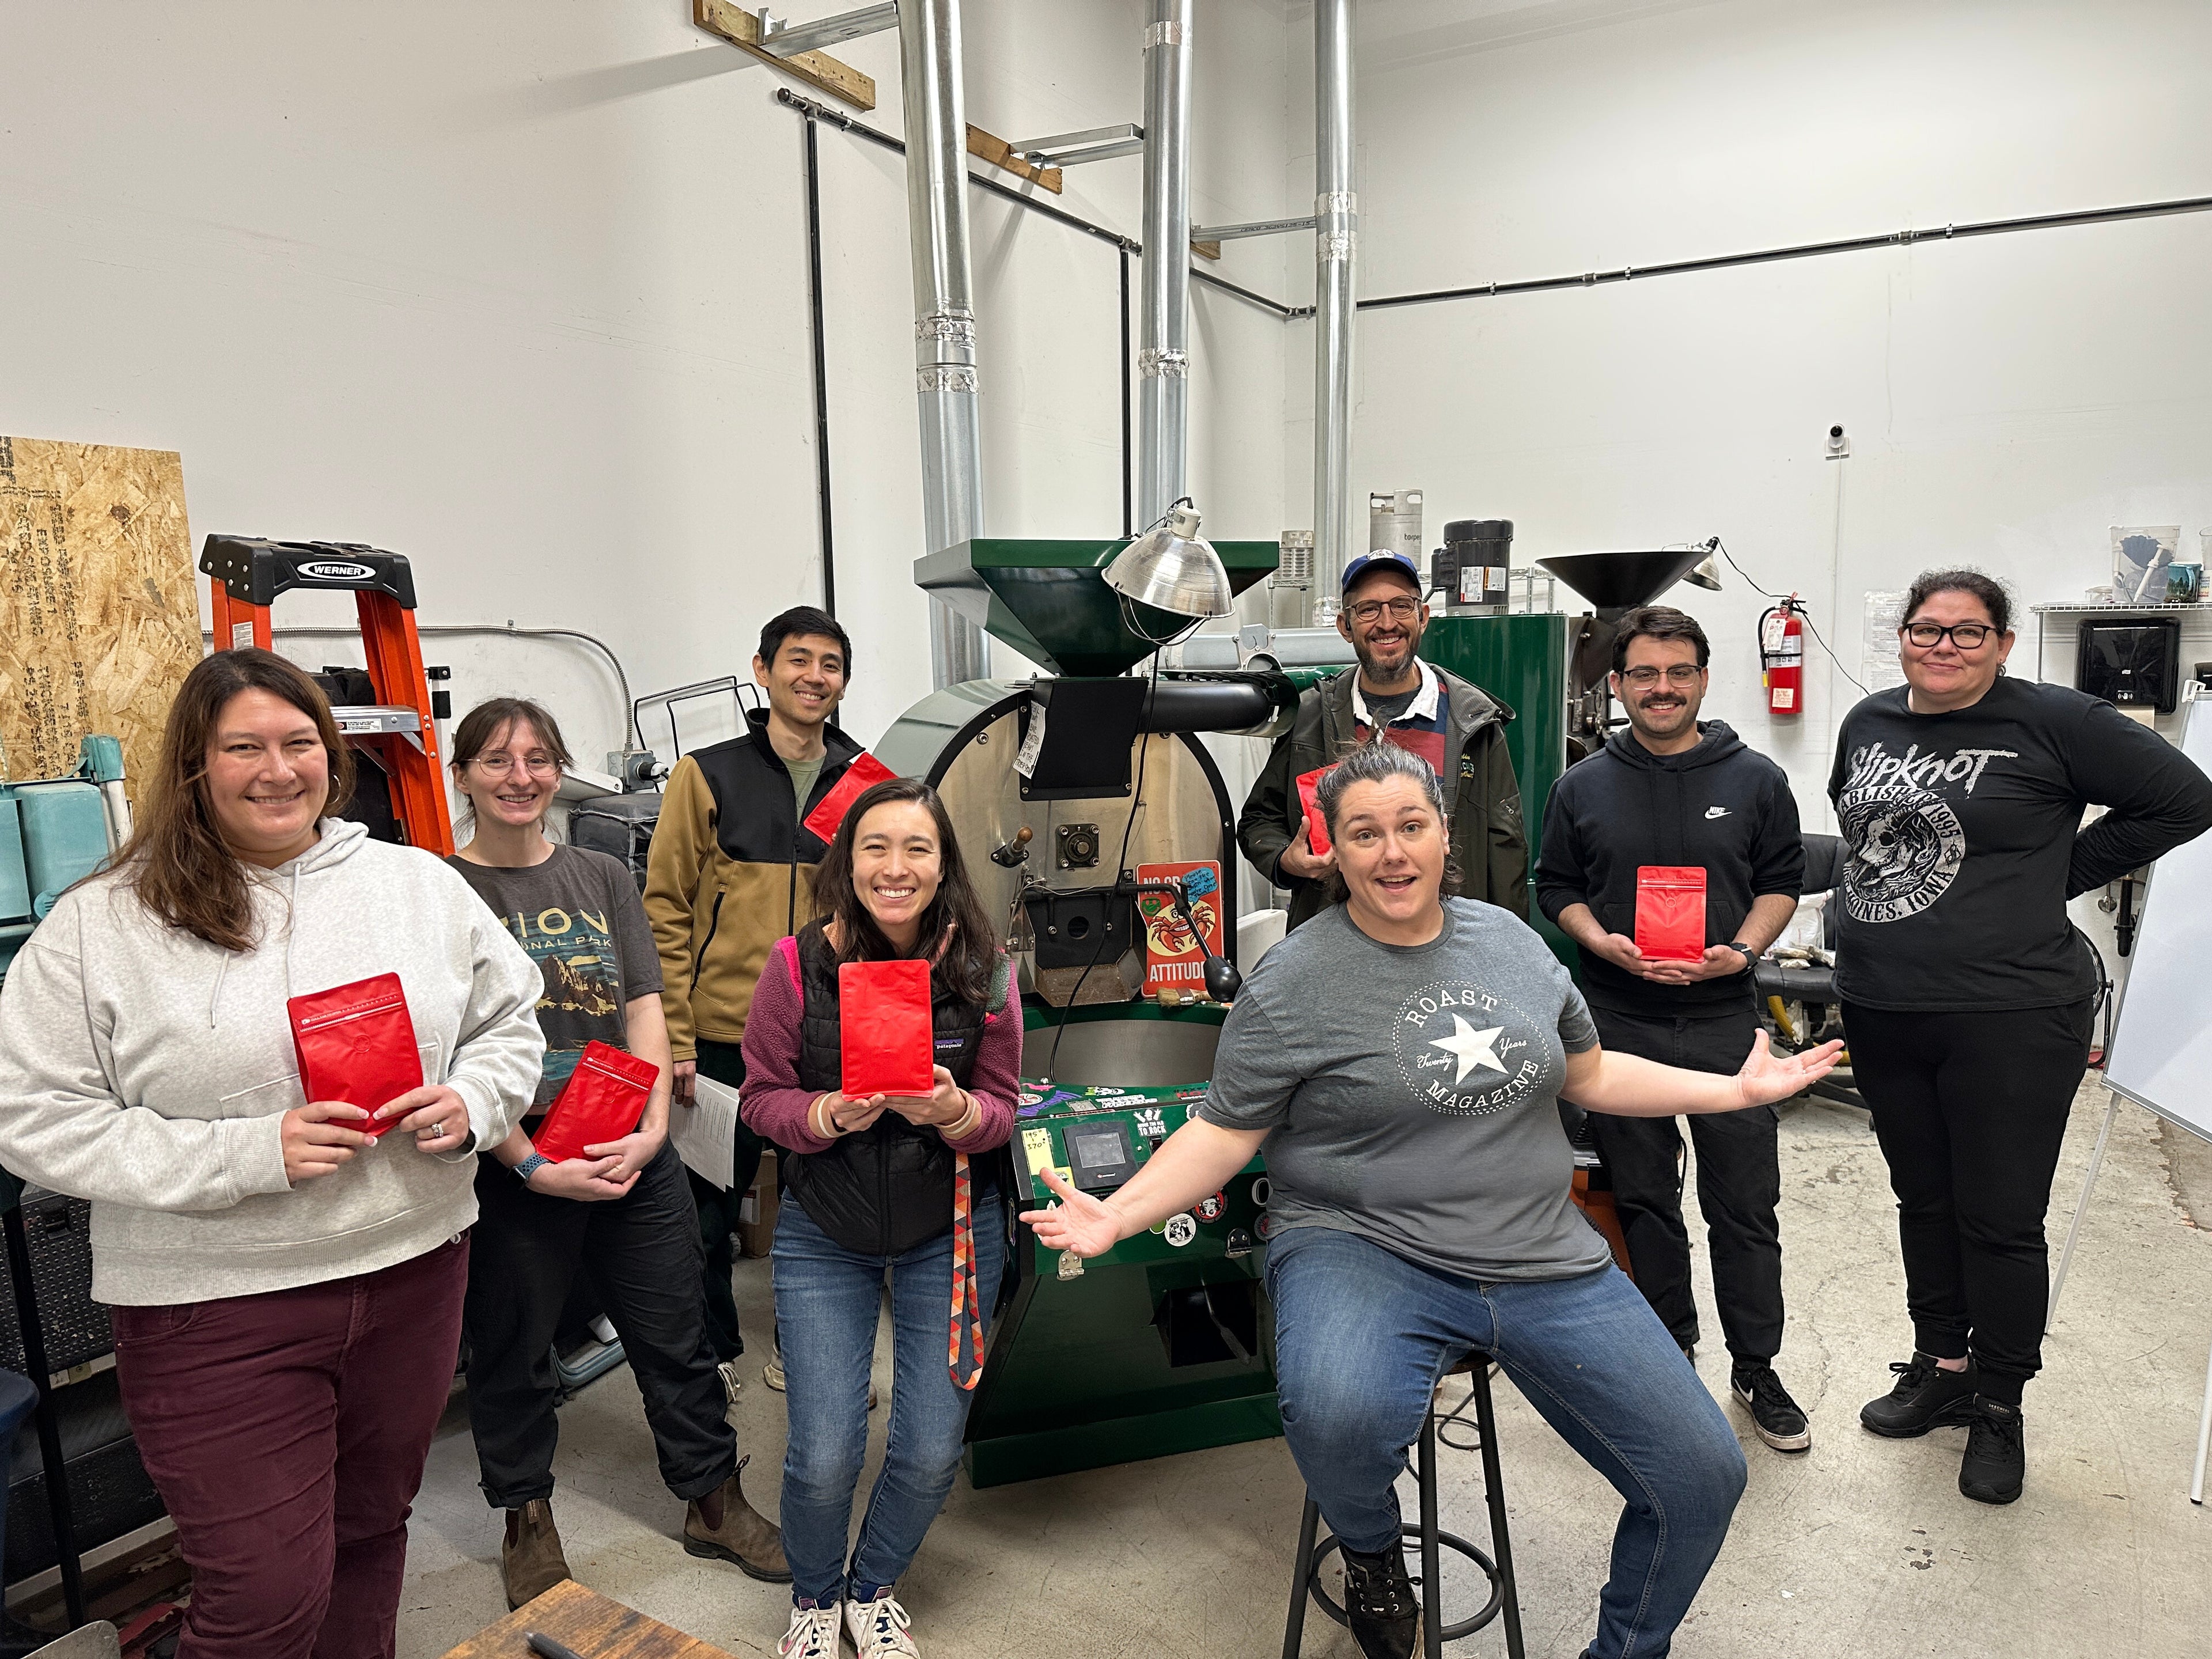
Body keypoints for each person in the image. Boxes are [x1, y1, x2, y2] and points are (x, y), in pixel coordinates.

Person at [1031, 741, 1839, 1659]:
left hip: (1537, 1253)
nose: (1391, 852)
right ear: (1328, 848)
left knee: (1701, 1477)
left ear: (1444, 834)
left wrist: (1730, 1092)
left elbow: (1592, 1070)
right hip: (1360, 1243)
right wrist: (1121, 1211)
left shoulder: (1512, 943)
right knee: (1340, 1413)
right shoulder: (1295, 980)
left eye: (1410, 826)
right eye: (1363, 833)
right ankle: (1373, 1554)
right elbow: (1226, 1131)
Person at [0, 649, 544, 1659]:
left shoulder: (414, 884)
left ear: (331, 758)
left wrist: (473, 1098)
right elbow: (31, 1114)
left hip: (415, 1271)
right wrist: (246, 1154)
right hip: (216, 1307)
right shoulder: (105, 922)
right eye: (243, 747)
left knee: (373, 1535)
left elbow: (511, 1019)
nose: (277, 769)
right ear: (196, 766)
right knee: (263, 1600)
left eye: (299, 743)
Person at [1832, 568, 2212, 1505]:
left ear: (2003, 642)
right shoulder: (1869, 723)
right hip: (1885, 1006)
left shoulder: (2055, 720)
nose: (1945, 646)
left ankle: (2000, 1404)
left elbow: (2186, 800)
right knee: (1923, 1201)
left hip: (2014, 1016)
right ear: (1904, 637)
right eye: (1928, 630)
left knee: (1998, 1220)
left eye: (1968, 633)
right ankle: (1941, 1367)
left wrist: (2061, 872)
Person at [444, 697, 786, 1608]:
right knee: (514, 1350)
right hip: (513, 1163)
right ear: (464, 773)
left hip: (629, 1147)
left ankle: (712, 1500)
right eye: (497, 761)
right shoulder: (439, 890)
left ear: (560, 771)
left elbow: (642, 1003)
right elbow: (447, 1044)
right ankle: (526, 1519)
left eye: (539, 759)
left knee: (677, 1334)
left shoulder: (599, 874)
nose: (521, 777)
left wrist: (648, 1131)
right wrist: (527, 1161)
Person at [739, 778, 1020, 1659]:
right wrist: (822, 1118)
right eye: (876, 848)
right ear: (847, 859)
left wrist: (952, 1114)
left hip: (954, 1227)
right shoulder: (794, 966)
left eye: (917, 850)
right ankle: (817, 1599)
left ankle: (873, 1589)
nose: (895, 868)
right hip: (827, 1229)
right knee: (824, 1452)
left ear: (944, 867)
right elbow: (760, 1099)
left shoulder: (988, 972)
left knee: (934, 1448)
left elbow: (1005, 1110)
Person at [1536, 605, 1812, 1450]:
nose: (1663, 689)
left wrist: (1742, 949)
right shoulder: (1581, 784)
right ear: (1617, 686)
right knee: (1646, 1199)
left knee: (1745, 1203)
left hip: (1726, 1019)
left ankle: (1757, 1365)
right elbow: (1556, 887)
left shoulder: (1756, 779)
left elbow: (1780, 883)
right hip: (1618, 1020)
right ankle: (1669, 1351)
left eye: (1679, 672)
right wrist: (1600, 943)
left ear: (1701, 677)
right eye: (1645, 674)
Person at [645, 606, 864, 1392]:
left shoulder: (863, 778)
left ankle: (803, 1347)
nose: (815, 676)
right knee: (705, 1214)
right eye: (798, 660)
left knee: (827, 1212)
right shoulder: (707, 773)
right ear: (764, 670)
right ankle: (715, 1353)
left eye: (831, 664)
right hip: (720, 1036)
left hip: (826, 1035)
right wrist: (673, 1036)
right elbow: (664, 907)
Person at [1239, 549, 1527, 929]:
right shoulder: (1310, 716)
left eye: (1401, 606)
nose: (1387, 623)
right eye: (1369, 609)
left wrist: (1508, 952)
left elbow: (1506, 851)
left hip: (1448, 945)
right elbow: (1260, 819)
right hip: (1338, 942)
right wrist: (1285, 860)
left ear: (1422, 617)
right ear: (1345, 626)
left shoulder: (1473, 721)